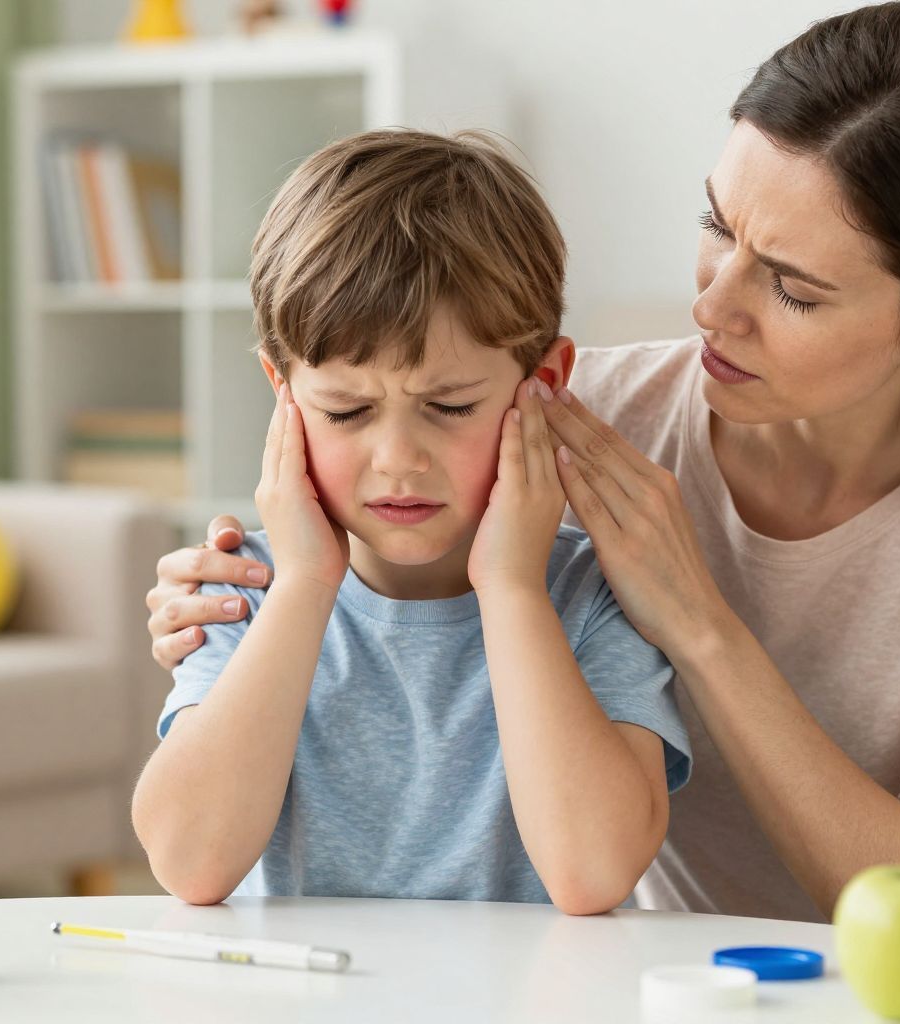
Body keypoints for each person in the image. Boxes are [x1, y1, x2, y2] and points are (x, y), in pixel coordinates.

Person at [144, 1, 900, 961]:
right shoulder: (565, 418)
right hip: (696, 981)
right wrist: (221, 597)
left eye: (793, 288)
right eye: (720, 227)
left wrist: (700, 621)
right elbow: (370, 477)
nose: (713, 309)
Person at [130, 129, 692, 916]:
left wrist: (511, 588)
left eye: (450, 407)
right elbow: (190, 863)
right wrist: (303, 587)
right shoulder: (249, 592)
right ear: (282, 391)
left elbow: (593, 873)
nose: (397, 458)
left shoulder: (592, 596)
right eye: (347, 410)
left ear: (547, 384)